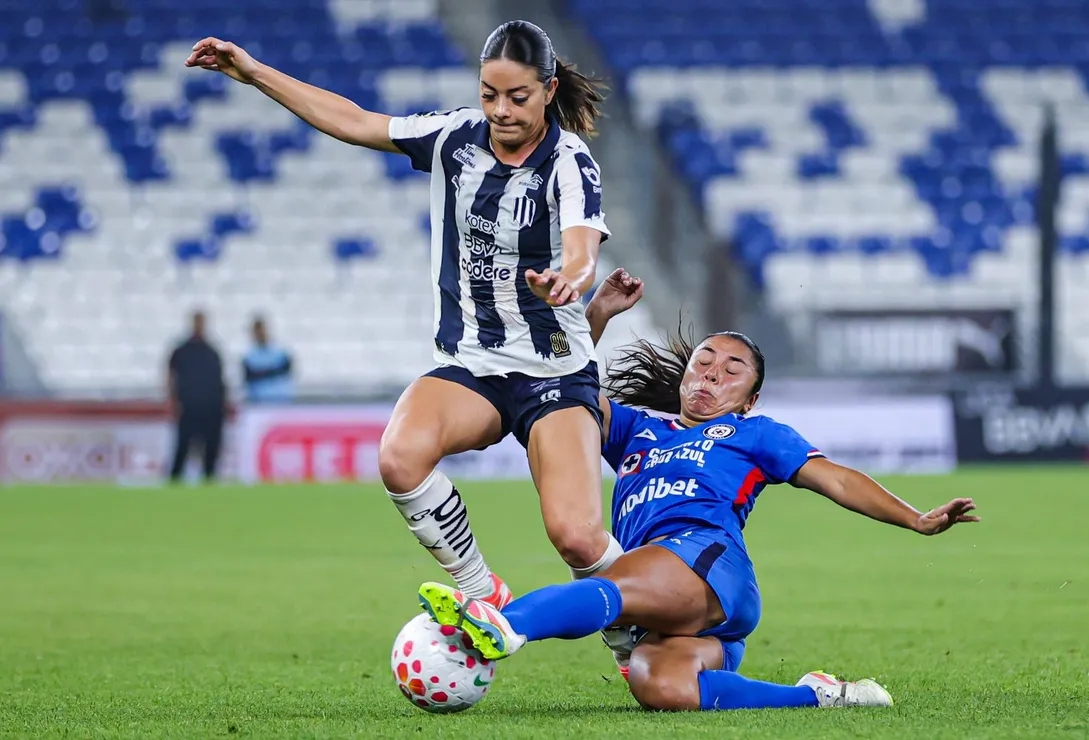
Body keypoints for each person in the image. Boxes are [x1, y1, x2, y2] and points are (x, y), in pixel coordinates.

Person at [185, 20, 628, 644]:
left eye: (517, 97)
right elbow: (355, 120)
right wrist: (255, 72)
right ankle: (479, 589)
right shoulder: (453, 137)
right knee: (399, 457)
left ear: (549, 91)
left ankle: (644, 623)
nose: (500, 110)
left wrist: (569, 279)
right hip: (474, 364)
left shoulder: (569, 160)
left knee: (577, 537)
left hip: (553, 369)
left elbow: (583, 248)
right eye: (489, 94)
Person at [416, 269, 981, 712]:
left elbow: (834, 477)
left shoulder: (753, 432)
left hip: (707, 563)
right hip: (673, 598)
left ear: (750, 398)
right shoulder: (639, 429)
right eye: (703, 361)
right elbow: (563, 393)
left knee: (618, 583)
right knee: (660, 685)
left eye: (731, 369)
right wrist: (600, 312)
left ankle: (505, 623)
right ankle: (818, 695)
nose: (711, 372)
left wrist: (916, 519)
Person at [167, 310, 228, 482]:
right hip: (188, 406)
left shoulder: (212, 351)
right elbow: (170, 376)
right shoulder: (181, 351)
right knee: (182, 447)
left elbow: (221, 380)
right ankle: (175, 481)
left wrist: (223, 404)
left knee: (211, 449)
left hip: (211, 407)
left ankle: (209, 480)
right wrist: (172, 401)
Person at [242, 316, 294, 404]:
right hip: (258, 403)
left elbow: (287, 370)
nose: (261, 334)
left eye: (262, 330)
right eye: (257, 332)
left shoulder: (280, 352)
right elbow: (249, 376)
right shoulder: (249, 356)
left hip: (281, 400)